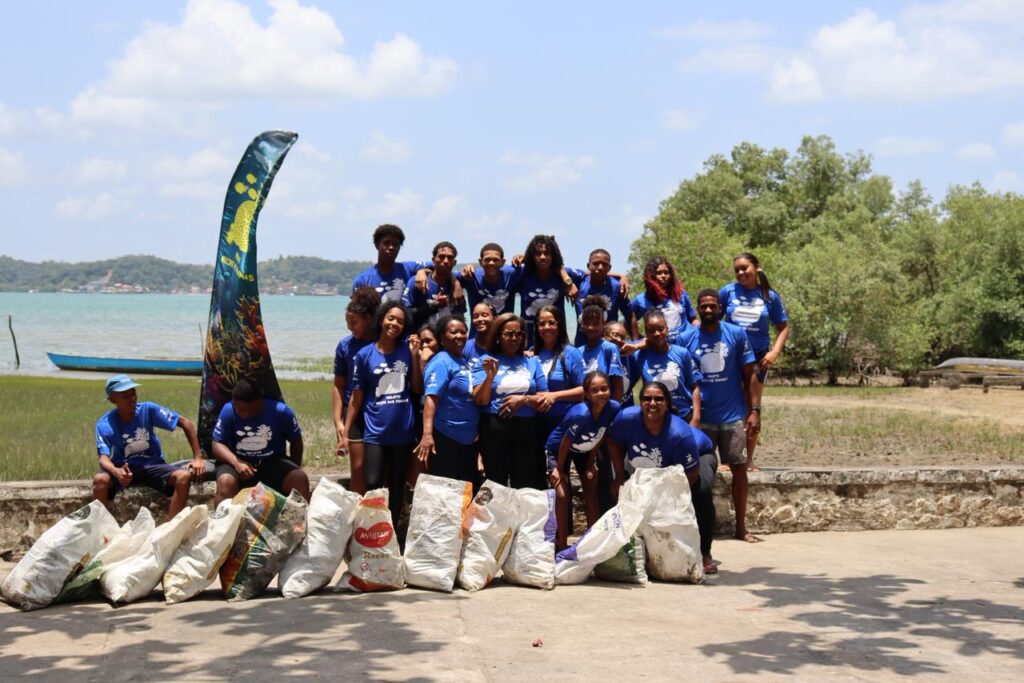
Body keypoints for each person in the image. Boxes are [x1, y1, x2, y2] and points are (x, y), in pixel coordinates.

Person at [607, 381, 716, 573]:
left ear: (667, 403)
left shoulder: (679, 434)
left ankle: (705, 551)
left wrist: (667, 500)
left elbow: (691, 475)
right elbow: (614, 442)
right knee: (620, 490)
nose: (652, 403)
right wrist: (618, 477)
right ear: (640, 402)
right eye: (647, 399)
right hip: (648, 465)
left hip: (697, 457)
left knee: (702, 491)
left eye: (659, 399)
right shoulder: (625, 419)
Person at [683, 288, 761, 548]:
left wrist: (754, 411)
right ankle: (696, 529)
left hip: (731, 416)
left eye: (712, 306)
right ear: (697, 308)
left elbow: (750, 374)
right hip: (699, 420)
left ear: (720, 308)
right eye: (703, 306)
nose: (708, 310)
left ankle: (741, 526)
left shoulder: (736, 335)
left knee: (740, 471)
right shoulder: (686, 338)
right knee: (698, 476)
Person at [344, 302, 422, 524]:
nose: (394, 323)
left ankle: (393, 536)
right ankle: (374, 528)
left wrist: (415, 357)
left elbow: (417, 388)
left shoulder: (407, 350)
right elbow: (356, 397)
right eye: (390, 318)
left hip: (403, 432)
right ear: (380, 319)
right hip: (375, 432)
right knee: (373, 482)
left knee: (397, 485)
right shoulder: (364, 355)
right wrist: (345, 432)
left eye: (399, 320)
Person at [92, 375, 205, 518]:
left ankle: (170, 527)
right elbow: (103, 458)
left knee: (183, 477)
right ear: (113, 400)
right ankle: (102, 529)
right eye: (125, 396)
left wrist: (197, 457)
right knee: (100, 481)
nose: (131, 398)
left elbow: (185, 423)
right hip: (124, 468)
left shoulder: (148, 410)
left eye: (133, 393)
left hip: (152, 465)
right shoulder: (105, 423)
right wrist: (116, 472)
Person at [719, 252, 790, 471]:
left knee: (752, 408)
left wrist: (775, 352)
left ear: (756, 268)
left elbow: (783, 327)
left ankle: (748, 458)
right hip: (731, 357)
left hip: (759, 358)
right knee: (729, 407)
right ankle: (727, 459)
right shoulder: (727, 291)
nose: (741, 273)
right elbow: (714, 319)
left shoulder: (769, 296)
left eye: (745, 268)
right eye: (737, 270)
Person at [546, 371, 620, 549]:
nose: (601, 394)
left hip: (585, 448)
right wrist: (560, 469)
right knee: (562, 495)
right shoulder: (580, 414)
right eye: (595, 390)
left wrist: (590, 464)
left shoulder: (614, 408)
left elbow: (600, 435)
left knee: (591, 490)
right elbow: (565, 442)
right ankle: (561, 545)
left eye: (604, 389)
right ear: (586, 394)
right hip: (560, 450)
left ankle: (590, 544)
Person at [415, 316, 492, 483]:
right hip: (446, 438)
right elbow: (431, 399)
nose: (460, 336)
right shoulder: (441, 361)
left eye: (463, 332)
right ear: (442, 338)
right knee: (446, 493)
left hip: (468, 441)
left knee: (464, 493)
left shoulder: (463, 362)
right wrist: (427, 434)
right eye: (453, 332)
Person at [476, 313, 548, 489]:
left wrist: (523, 400)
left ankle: (520, 517)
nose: (514, 338)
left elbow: (544, 397)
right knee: (495, 484)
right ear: (498, 335)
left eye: (519, 333)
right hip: (494, 429)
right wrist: (489, 377)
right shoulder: (486, 361)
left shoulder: (532, 361)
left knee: (524, 484)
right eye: (509, 333)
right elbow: (481, 400)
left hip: (526, 429)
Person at [212, 378, 310, 505]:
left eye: (249, 410)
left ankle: (297, 521)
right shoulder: (228, 410)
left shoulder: (281, 412)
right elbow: (217, 444)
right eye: (240, 409)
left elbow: (296, 441)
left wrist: (293, 467)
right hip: (237, 462)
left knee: (300, 479)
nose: (244, 414)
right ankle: (223, 523)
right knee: (226, 482)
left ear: (259, 402)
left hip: (271, 461)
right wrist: (236, 462)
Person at [332, 286, 380, 494]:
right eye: (347, 323)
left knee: (378, 469)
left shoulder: (384, 342)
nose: (350, 328)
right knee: (358, 468)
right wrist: (338, 421)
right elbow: (338, 385)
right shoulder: (345, 346)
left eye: (354, 323)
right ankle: (358, 518)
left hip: (379, 412)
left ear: (369, 318)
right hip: (354, 413)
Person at [630, 310, 702, 424]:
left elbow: (695, 387)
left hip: (684, 416)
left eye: (661, 328)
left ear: (667, 328)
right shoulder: (639, 356)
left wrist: (696, 418)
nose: (657, 333)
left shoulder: (682, 353)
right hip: (654, 419)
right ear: (646, 333)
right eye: (651, 331)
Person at [516, 235, 584, 348]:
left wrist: (620, 276)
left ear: (554, 256)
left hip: (557, 342)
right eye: (538, 253)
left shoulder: (564, 275)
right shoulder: (523, 274)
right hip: (528, 343)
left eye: (547, 253)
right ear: (531, 256)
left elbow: (593, 273)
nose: (542, 257)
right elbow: (500, 272)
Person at [351, 224, 431, 303]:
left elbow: (438, 264)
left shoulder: (408, 268)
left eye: (395, 244)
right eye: (386, 243)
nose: (391, 247)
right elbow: (354, 313)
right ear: (377, 245)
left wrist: (421, 271)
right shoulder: (363, 280)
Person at [629, 256, 696, 343]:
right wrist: (640, 340)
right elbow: (628, 323)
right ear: (650, 276)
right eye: (659, 273)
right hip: (660, 349)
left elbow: (693, 319)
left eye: (666, 272)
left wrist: (698, 333)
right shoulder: (641, 300)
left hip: (686, 345)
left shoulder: (680, 294)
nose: (663, 276)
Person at [572, 249, 631, 345]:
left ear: (609, 267)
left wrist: (635, 342)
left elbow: (629, 313)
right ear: (588, 266)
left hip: (608, 343)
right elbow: (559, 268)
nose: (600, 267)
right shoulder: (579, 283)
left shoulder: (616, 287)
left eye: (604, 264)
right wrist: (568, 284)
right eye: (595, 263)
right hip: (582, 343)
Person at [403, 241, 466, 329]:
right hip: (424, 340)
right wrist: (433, 306)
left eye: (450, 258)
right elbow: (405, 313)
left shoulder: (458, 282)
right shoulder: (416, 281)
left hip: (450, 340)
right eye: (441, 257)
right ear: (433, 260)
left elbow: (461, 317)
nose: (446, 261)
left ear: (454, 262)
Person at [457, 243, 523, 324]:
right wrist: (456, 284)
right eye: (487, 259)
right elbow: (444, 273)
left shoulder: (511, 274)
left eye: (496, 260)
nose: (491, 263)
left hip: (504, 332)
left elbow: (536, 268)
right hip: (478, 334)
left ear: (503, 262)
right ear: (480, 262)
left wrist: (525, 258)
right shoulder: (471, 275)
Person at [577, 296, 625, 401]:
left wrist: (609, 413)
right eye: (587, 323)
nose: (590, 327)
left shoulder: (610, 349)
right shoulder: (578, 352)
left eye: (595, 323)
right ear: (582, 325)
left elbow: (618, 389)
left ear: (603, 324)